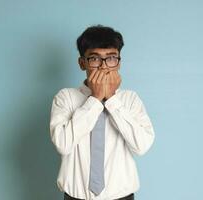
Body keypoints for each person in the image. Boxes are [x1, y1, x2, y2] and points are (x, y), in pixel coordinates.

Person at [49, 24, 155, 200]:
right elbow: (63, 144)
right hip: (76, 197)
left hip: (122, 197)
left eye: (111, 58)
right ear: (82, 63)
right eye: (95, 59)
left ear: (119, 63)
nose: (104, 66)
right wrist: (95, 100)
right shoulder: (65, 98)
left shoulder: (130, 100)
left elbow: (142, 146)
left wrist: (112, 100)